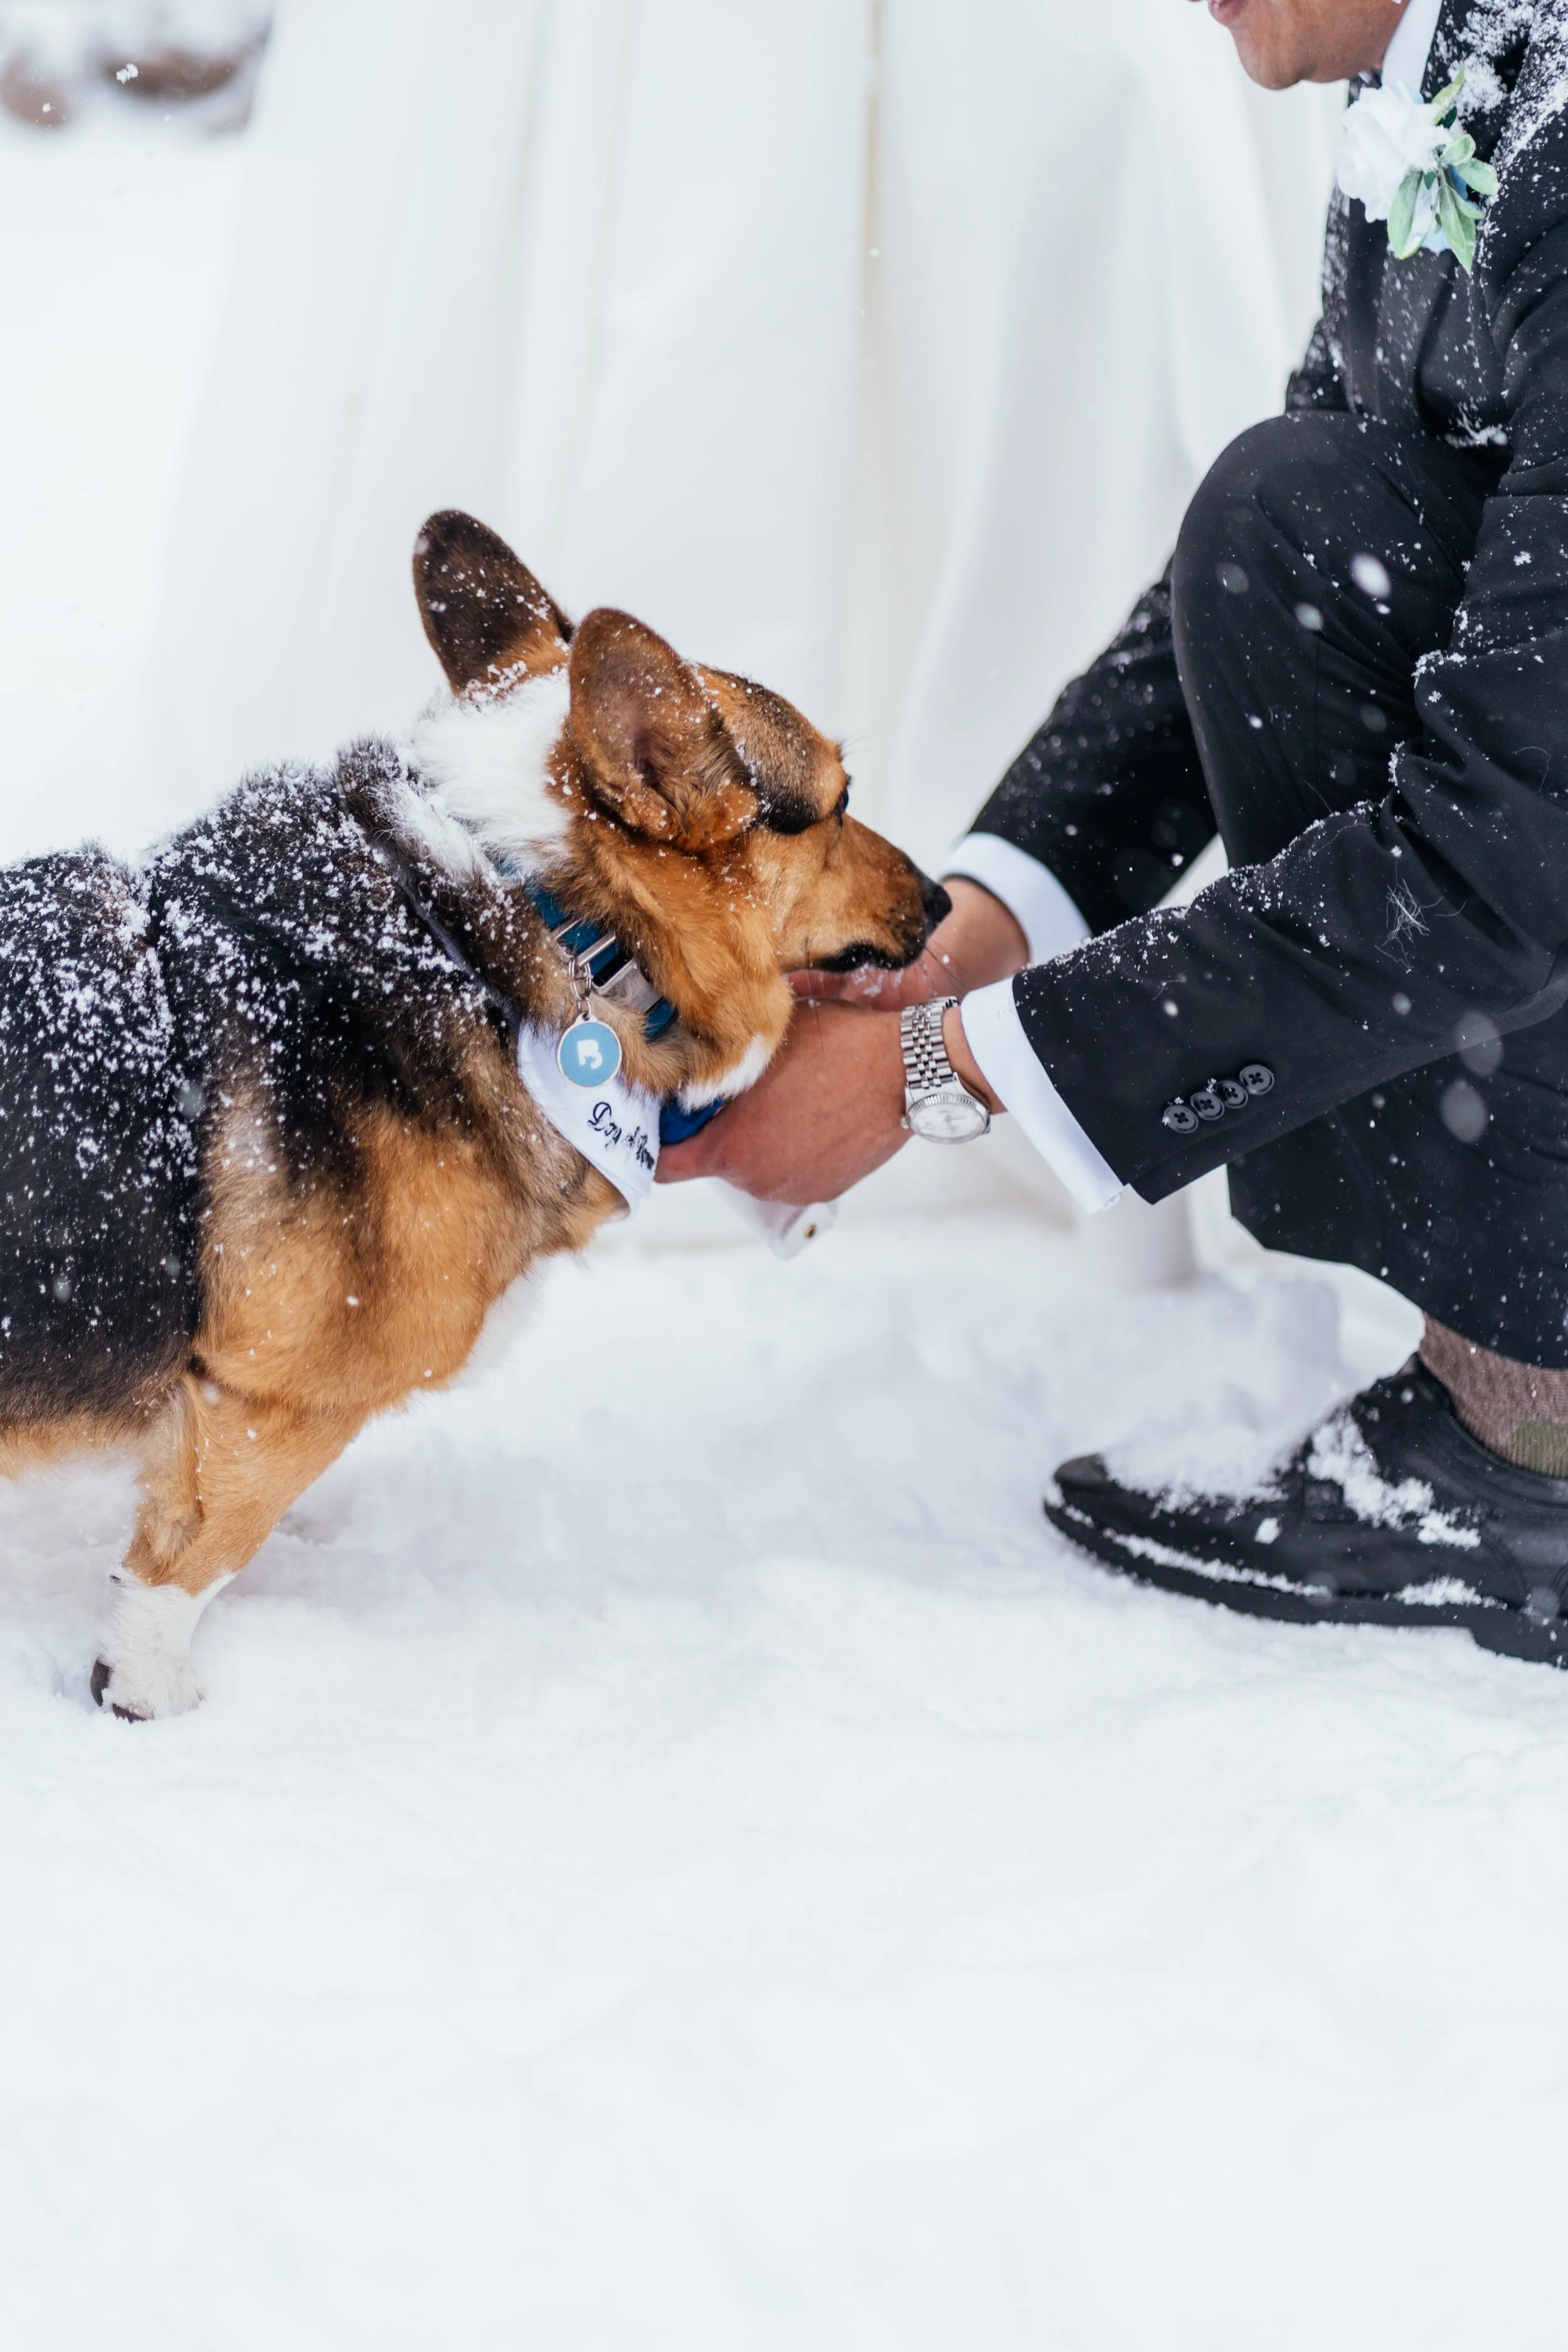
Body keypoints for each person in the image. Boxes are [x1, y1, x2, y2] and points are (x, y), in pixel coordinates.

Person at [660, 0, 1568, 1670]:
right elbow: (1274, 567)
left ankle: (1534, 1448)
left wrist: (936, 1077)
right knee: (1298, 514)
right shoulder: (1456, 65)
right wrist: (974, 926)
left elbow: (1501, 861)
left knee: (1324, 554)